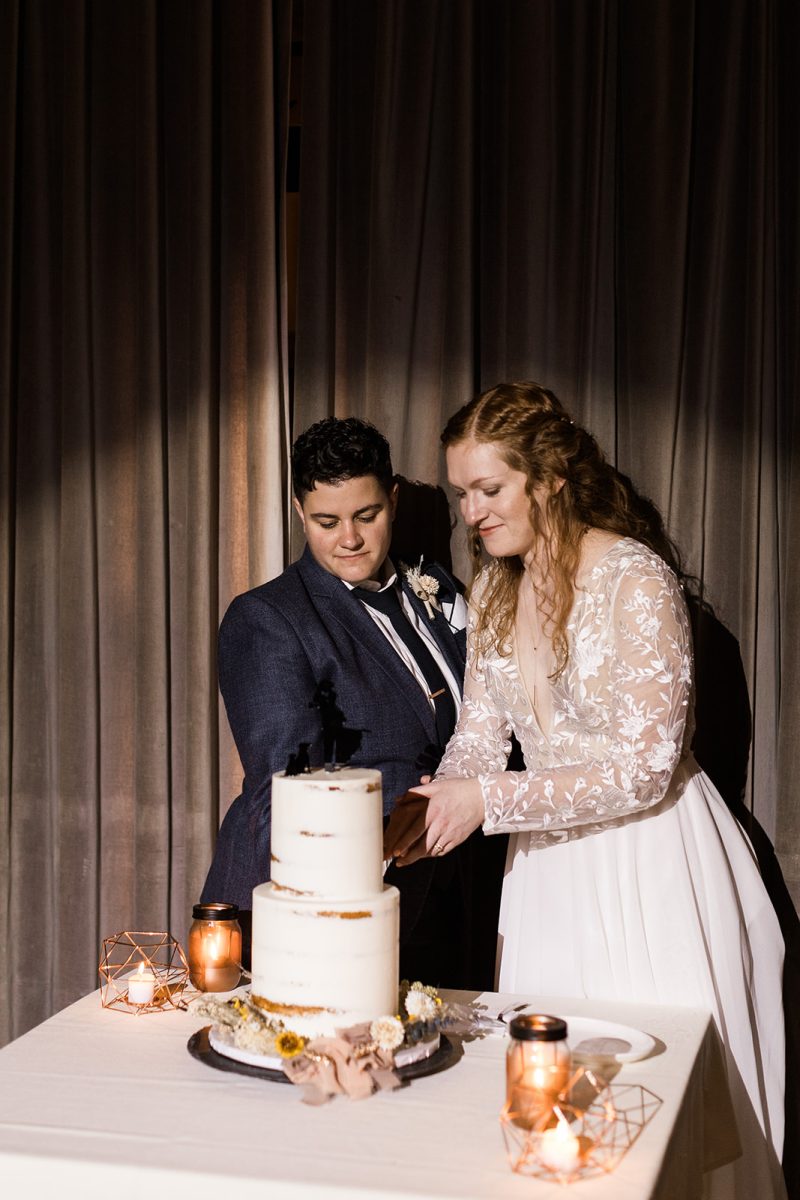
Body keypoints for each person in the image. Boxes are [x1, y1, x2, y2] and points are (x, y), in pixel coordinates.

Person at [384, 381, 786, 1196]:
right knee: (560, 1109)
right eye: (461, 493)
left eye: (489, 490)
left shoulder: (635, 578)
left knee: (665, 1109)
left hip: (655, 861)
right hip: (549, 877)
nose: (472, 513)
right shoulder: (497, 589)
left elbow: (645, 766)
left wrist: (489, 803)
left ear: (551, 477)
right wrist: (423, 815)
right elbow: (478, 738)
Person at [200, 416, 504, 988]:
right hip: (330, 909)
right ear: (298, 511)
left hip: (449, 900)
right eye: (326, 521)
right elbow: (286, 789)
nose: (349, 539)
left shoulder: (435, 586)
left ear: (392, 500)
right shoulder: (267, 619)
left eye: (366, 516)